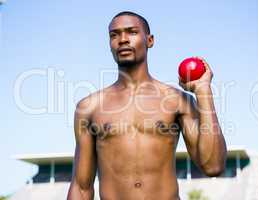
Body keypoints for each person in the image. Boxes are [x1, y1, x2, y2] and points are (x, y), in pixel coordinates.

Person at [67, 11, 227, 200]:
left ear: (149, 40)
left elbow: (213, 166)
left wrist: (203, 91)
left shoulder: (177, 100)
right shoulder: (89, 107)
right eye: (114, 35)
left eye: (132, 32)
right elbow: (81, 187)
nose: (123, 40)